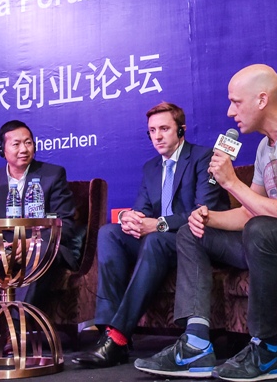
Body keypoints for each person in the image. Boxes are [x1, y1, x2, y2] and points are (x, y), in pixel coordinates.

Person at [134, 65, 277, 381]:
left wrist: (231, 183)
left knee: (262, 230)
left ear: (261, 99)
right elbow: (249, 211)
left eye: (236, 102)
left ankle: (266, 350)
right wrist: (208, 218)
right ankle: (195, 344)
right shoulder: (264, 147)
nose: (230, 112)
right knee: (192, 232)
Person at [73, 102, 227, 368]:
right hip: (158, 243)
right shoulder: (151, 168)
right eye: (152, 131)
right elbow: (142, 210)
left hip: (194, 240)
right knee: (109, 233)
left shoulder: (203, 158)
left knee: (155, 238)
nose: (157, 136)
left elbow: (204, 211)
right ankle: (108, 331)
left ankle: (119, 337)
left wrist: (159, 225)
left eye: (164, 129)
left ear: (182, 130)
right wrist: (129, 219)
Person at [0, 119, 83, 314]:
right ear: (3, 149)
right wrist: (0, 247)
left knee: (39, 249)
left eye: (28, 142)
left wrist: (30, 244)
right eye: (16, 144)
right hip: (4, 251)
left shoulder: (53, 175)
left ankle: (17, 326)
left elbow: (65, 224)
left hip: (43, 248)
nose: (24, 149)